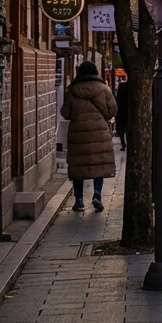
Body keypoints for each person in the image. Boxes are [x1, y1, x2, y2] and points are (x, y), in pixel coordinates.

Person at [61, 61, 118, 212]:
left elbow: (65, 114)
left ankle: (79, 200)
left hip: (78, 134)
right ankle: (97, 195)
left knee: (78, 166)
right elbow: (113, 110)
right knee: (98, 165)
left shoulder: (72, 91)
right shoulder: (103, 89)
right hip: (100, 134)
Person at [113, 76, 129, 151]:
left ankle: (123, 144)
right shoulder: (128, 92)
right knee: (128, 129)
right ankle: (127, 143)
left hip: (120, 113)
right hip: (127, 112)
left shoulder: (119, 93)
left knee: (121, 130)